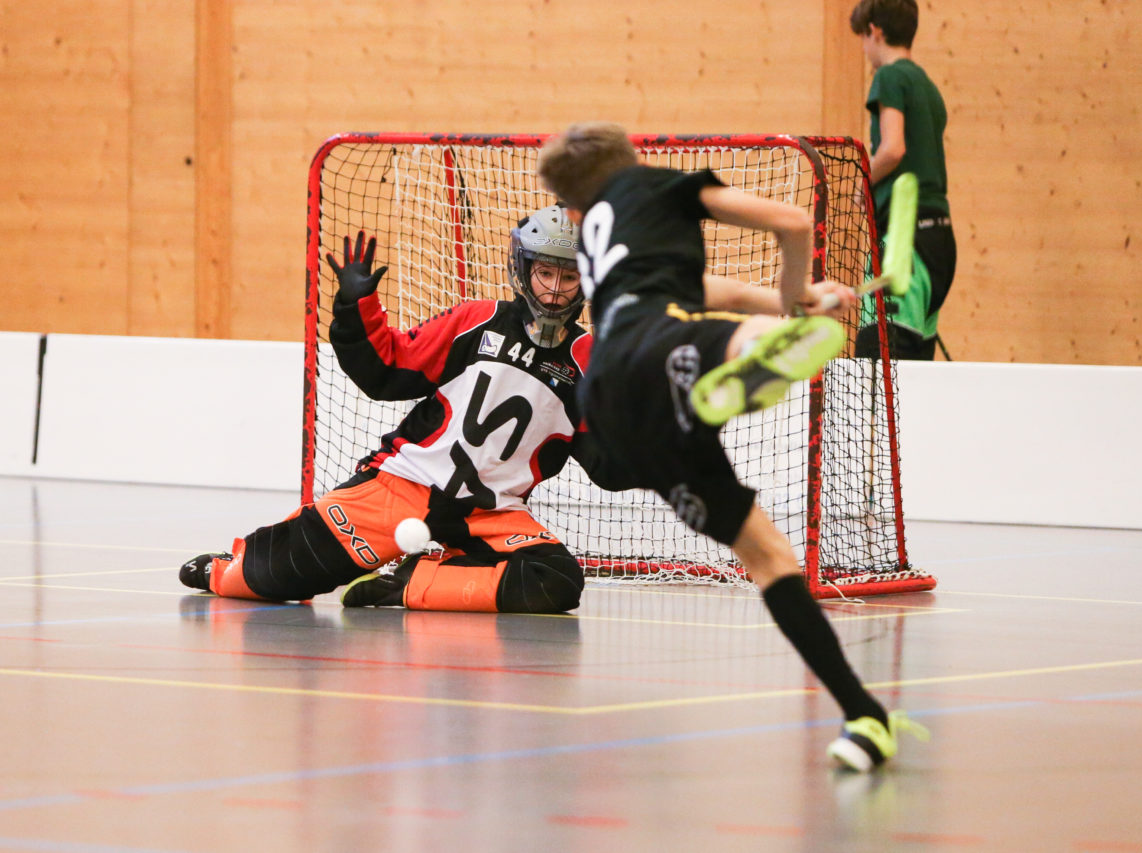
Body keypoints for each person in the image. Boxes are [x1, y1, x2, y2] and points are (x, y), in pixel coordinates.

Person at [536, 122, 927, 771]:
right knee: (711, 341)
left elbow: (705, 290)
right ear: (629, 162)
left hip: (607, 401)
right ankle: (751, 354)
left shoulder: (600, 249)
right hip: (660, 359)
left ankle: (865, 717)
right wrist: (801, 290)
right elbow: (792, 221)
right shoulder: (655, 185)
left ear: (575, 206)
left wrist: (792, 303)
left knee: (767, 554)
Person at [179, 205, 623, 614]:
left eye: (569, 279)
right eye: (545, 273)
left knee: (558, 582)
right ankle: (229, 566)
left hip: (491, 516)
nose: (554, 291)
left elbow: (609, 467)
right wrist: (356, 310)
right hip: (401, 487)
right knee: (265, 579)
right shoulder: (476, 321)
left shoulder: (590, 362)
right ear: (522, 270)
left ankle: (408, 584)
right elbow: (386, 370)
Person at [850, 0, 957, 361]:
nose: (864, 50)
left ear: (875, 31)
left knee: (875, 374)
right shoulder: (928, 88)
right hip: (938, 242)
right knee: (914, 379)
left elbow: (893, 149)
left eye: (863, 38)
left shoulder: (890, 77)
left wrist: (860, 186)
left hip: (903, 243)